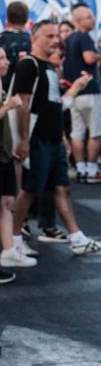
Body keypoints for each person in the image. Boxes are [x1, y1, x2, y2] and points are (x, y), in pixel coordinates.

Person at [11, 20, 101, 257]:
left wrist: (63, 136)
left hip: (53, 140)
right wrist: (24, 139)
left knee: (62, 188)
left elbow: (56, 104)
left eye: (57, 35)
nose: (56, 40)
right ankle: (12, 241)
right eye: (50, 36)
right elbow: (22, 105)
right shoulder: (29, 65)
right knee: (30, 190)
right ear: (34, 39)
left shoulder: (50, 67)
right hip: (37, 140)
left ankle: (77, 238)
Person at [63, 3, 101, 184]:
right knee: (96, 132)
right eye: (89, 17)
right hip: (89, 90)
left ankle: (81, 168)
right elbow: (89, 58)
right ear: (79, 21)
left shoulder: (68, 39)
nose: (93, 19)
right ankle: (91, 169)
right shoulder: (84, 37)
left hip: (74, 92)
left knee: (77, 132)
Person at [0, 46, 35, 274]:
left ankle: (9, 251)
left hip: (3, 153)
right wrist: (9, 105)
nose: (6, 62)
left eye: (5, 57)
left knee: (6, 202)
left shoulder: (2, 85)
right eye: (1, 58)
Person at [0, 1, 31, 92]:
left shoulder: (1, 38)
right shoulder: (32, 41)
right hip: (23, 92)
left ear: (8, 18)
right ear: (26, 20)